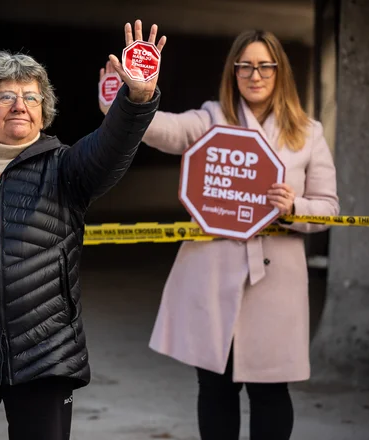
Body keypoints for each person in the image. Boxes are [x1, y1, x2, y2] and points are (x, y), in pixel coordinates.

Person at [0, 20, 164, 440]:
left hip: (47, 358)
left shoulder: (67, 168)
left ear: (44, 111)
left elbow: (112, 147)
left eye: (31, 97)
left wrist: (137, 97)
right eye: (6, 96)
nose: (20, 104)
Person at [99, 29, 339, 440]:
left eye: (265, 65)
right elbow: (163, 130)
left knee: (271, 391)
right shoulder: (210, 118)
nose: (255, 74)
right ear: (233, 72)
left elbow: (330, 210)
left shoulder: (308, 132)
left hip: (275, 283)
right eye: (244, 65)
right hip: (212, 278)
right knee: (215, 387)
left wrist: (294, 208)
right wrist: (131, 100)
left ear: (281, 72)